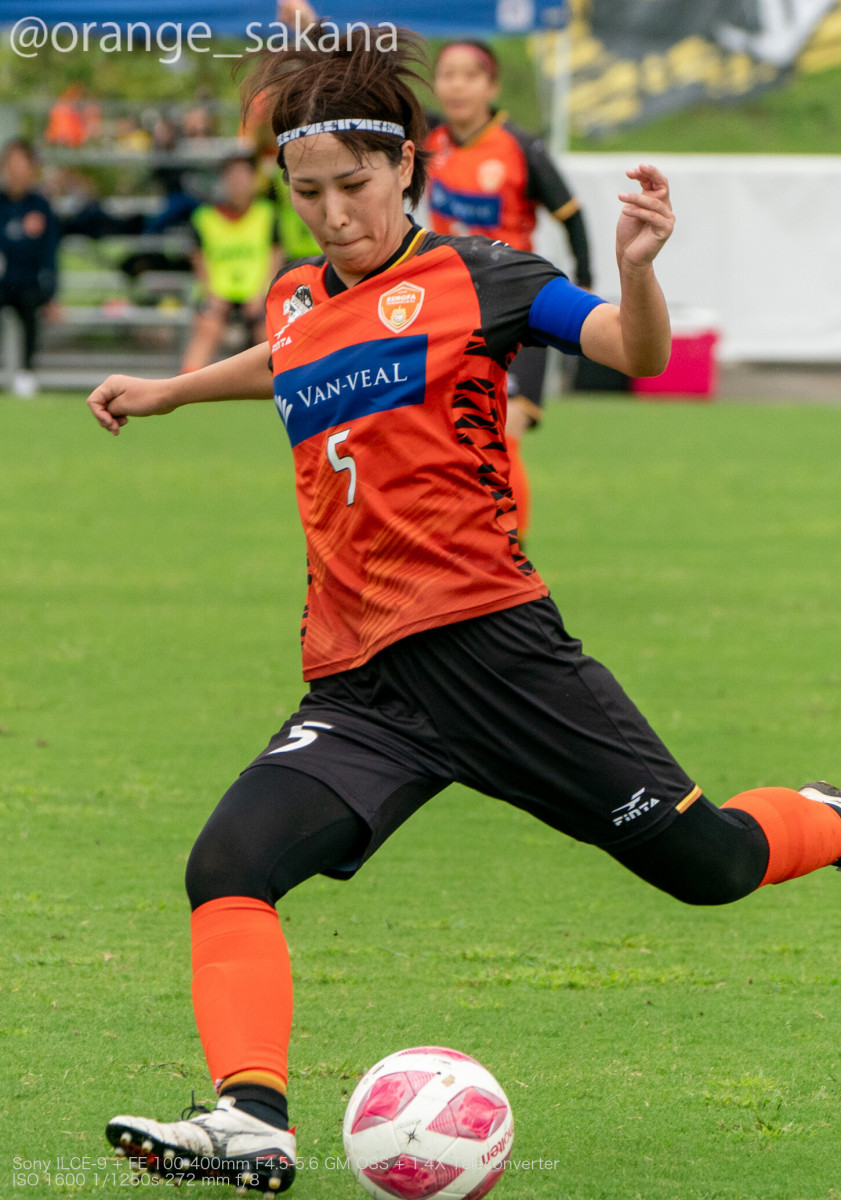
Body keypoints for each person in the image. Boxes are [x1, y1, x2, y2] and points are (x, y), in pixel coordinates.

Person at [86, 25, 841, 1198]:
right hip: (363, 687)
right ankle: (251, 1117)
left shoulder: (482, 278)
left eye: (353, 185)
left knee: (713, 866)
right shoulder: (293, 297)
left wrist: (637, 269)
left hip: (496, 654)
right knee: (228, 864)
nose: (333, 213)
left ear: (405, 168)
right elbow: (286, 354)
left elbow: (631, 351)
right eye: (307, 193)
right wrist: (174, 391)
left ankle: (831, 812)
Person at [426, 39, 593, 538]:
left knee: (506, 431)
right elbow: (372, 90)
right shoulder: (428, 139)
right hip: (451, 307)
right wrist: (316, 33)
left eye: (470, 75)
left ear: (492, 85)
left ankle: (510, 554)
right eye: (447, 74)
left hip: (519, 305)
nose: (457, 85)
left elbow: (572, 217)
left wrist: (585, 288)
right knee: (452, 441)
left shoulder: (520, 147)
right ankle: (463, 546)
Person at [180, 153, 281, 374]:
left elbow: (275, 256)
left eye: (243, 176)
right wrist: (212, 293)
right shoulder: (204, 217)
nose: (238, 183)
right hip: (218, 292)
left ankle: (275, 384)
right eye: (232, 177)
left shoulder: (267, 213)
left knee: (269, 334)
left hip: (256, 292)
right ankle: (186, 384)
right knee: (207, 329)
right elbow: (198, 259)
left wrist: (263, 291)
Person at [0, 139, 60, 397]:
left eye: (21, 163)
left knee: (31, 309)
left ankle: (26, 372)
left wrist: (52, 294)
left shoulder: (40, 206)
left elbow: (50, 253)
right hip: (2, 282)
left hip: (29, 284)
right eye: (11, 163)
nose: (16, 169)